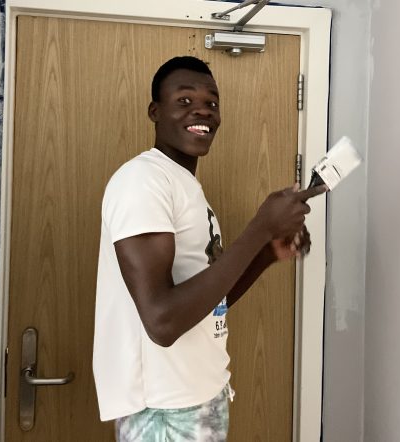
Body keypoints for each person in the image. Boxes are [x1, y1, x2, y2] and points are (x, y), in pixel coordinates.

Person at [93, 56, 326, 442]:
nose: (203, 108)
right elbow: (163, 322)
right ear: (155, 111)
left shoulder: (187, 189)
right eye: (184, 100)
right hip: (164, 410)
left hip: (201, 395)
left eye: (212, 102)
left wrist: (266, 253)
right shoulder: (142, 181)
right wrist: (259, 228)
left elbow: (206, 304)